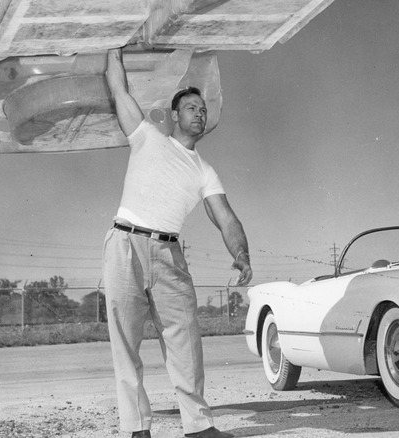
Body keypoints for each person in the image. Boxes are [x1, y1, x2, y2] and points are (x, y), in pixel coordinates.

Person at [102, 48, 252, 438]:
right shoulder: (146, 137)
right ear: (174, 115)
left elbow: (226, 217)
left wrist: (241, 253)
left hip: (169, 253)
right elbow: (118, 90)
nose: (199, 113)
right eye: (191, 108)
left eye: (203, 109)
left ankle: (199, 428)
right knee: (126, 344)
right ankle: (138, 429)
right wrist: (114, 48)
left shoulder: (204, 170)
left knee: (186, 342)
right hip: (126, 244)